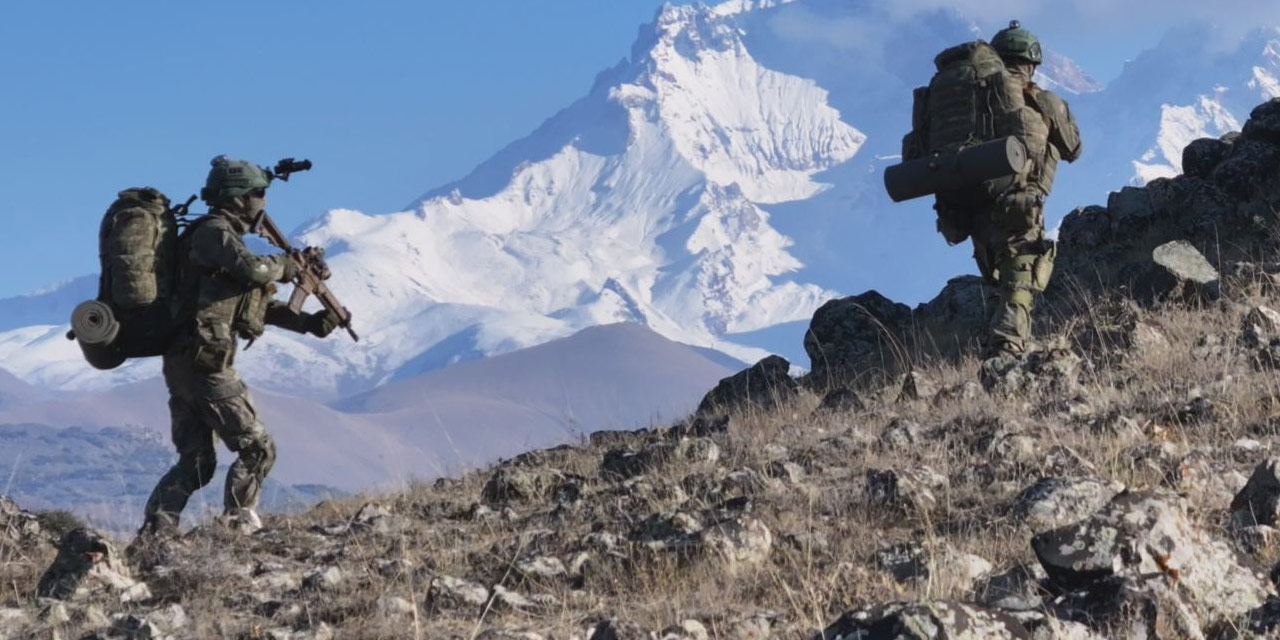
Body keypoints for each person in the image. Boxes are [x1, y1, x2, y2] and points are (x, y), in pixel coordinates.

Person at [138, 156, 340, 536]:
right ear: (239, 197)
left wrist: (309, 324)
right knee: (258, 448)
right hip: (205, 365)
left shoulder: (218, 241)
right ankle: (237, 527)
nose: (262, 203)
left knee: (196, 462)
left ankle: (155, 535)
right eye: (258, 194)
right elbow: (253, 271)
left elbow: (252, 303)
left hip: (187, 362)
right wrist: (288, 265)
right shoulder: (214, 233)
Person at [928, 21, 1082, 363]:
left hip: (965, 204)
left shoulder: (972, 99)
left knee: (999, 282)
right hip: (1017, 203)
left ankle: (995, 348)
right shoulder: (1036, 98)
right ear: (1030, 63)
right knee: (1019, 283)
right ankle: (1005, 356)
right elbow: (1073, 148)